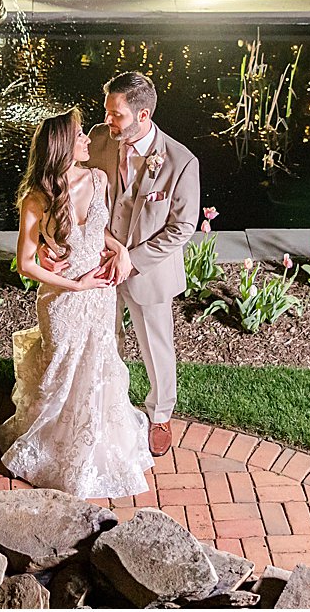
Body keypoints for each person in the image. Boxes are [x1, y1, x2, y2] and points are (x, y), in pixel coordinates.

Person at [0, 108, 155, 499]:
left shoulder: (98, 179)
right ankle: (51, 449)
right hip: (63, 299)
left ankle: (95, 446)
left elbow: (98, 233)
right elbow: (26, 263)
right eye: (81, 134)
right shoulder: (36, 198)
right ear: (64, 146)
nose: (87, 139)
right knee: (62, 374)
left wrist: (120, 251)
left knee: (100, 369)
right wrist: (74, 284)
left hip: (100, 291)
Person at [85, 71, 200, 458]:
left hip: (147, 271)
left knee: (156, 347)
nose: (107, 121)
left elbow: (181, 228)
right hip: (99, 261)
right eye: (107, 112)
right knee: (104, 338)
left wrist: (130, 259)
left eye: (116, 114)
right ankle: (108, 407)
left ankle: (160, 413)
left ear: (143, 115)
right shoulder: (101, 139)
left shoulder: (181, 163)